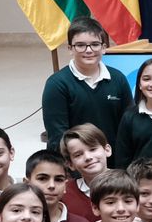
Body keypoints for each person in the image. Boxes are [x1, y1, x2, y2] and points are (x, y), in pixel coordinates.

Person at [41, 17, 128, 158]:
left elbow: (127, 128)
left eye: (95, 44)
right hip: (77, 165)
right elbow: (58, 137)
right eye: (80, 45)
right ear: (70, 48)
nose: (88, 50)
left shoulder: (118, 79)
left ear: (104, 48)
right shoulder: (57, 84)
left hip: (113, 166)